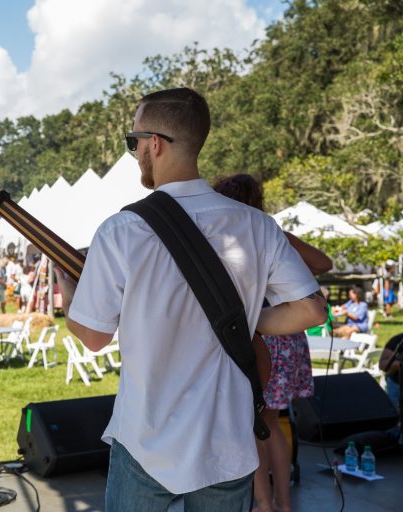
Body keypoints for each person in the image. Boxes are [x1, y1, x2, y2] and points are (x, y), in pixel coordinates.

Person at [54, 87, 327, 512]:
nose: (136, 152)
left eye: (134, 142)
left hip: (147, 439)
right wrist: (250, 319)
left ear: (154, 143)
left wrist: (67, 285)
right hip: (229, 439)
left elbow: (92, 336)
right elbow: (311, 310)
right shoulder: (257, 225)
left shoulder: (123, 229)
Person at [214, 173, 333, 512]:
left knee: (251, 425)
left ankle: (263, 503)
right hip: (291, 333)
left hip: (261, 338)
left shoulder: (228, 236)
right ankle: (283, 503)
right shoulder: (272, 233)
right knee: (272, 424)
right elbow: (324, 263)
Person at [380, 333, 403, 413]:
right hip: (397, 384)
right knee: (393, 413)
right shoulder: (398, 340)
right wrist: (397, 364)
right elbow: (382, 365)